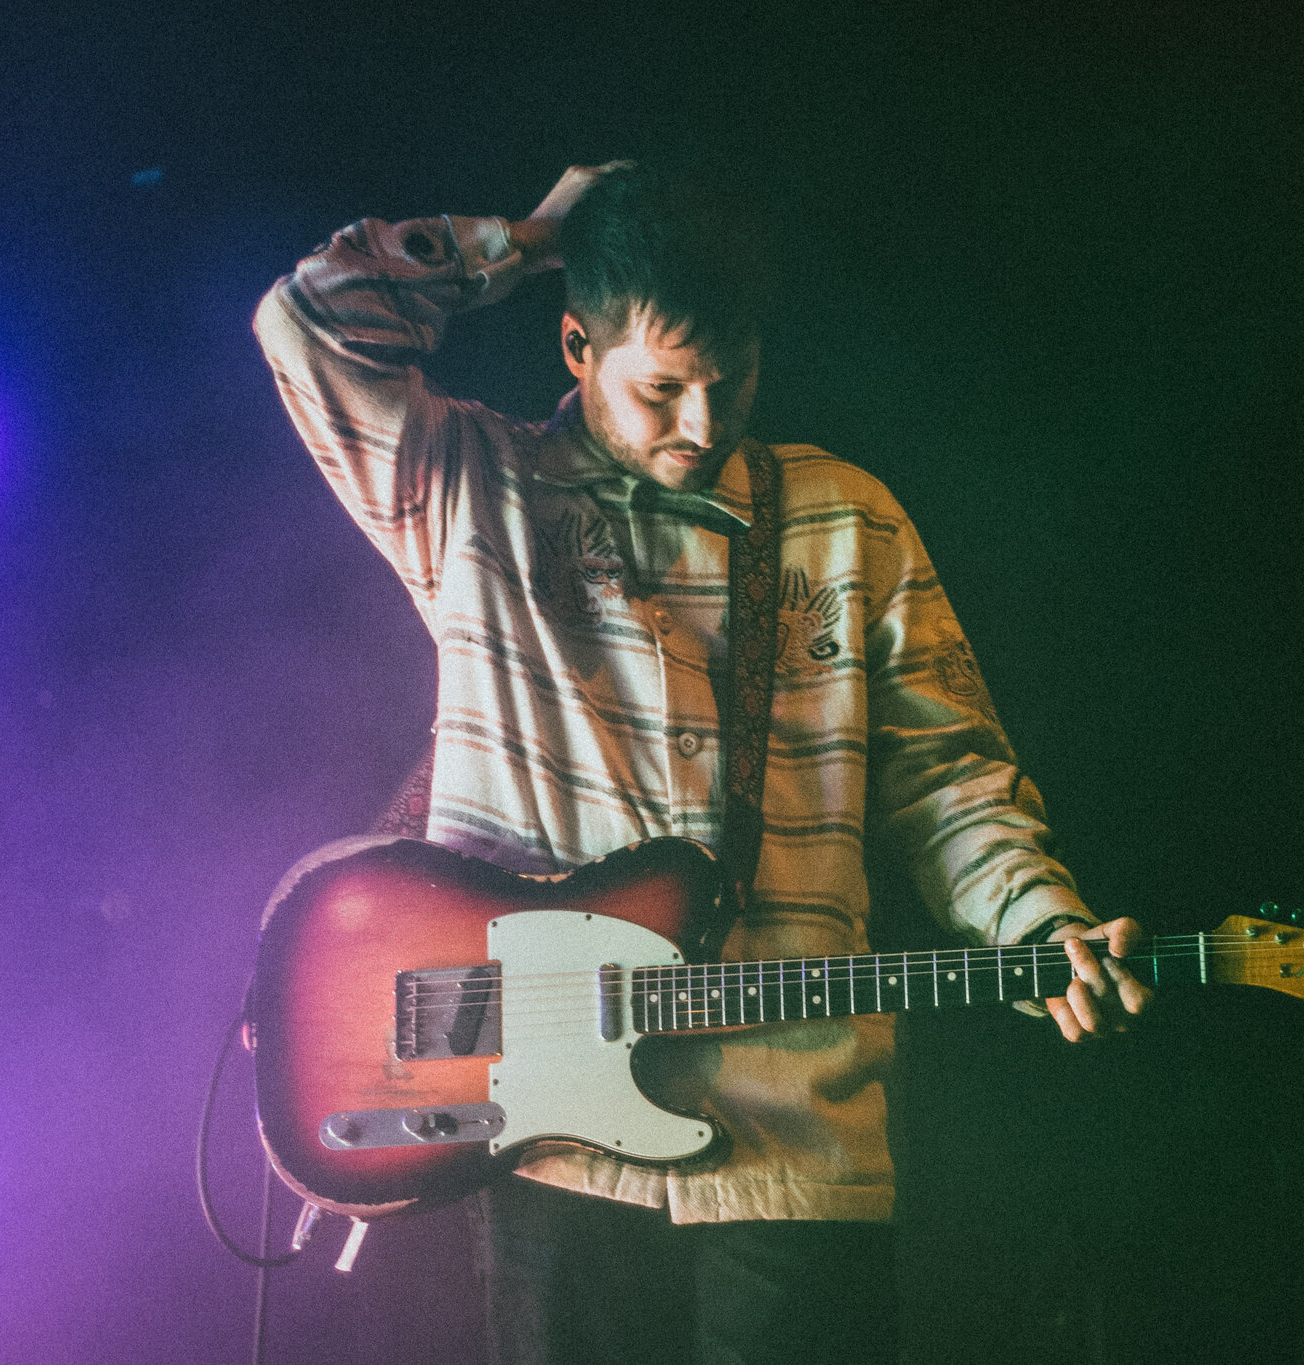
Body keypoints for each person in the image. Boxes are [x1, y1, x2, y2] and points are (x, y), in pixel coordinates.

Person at [253, 161, 1152, 1363]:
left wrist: (1037, 920)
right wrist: (534, 238)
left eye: (729, 385)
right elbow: (308, 320)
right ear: (576, 345)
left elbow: (949, 780)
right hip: (555, 1142)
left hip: (799, 1139)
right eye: (661, 389)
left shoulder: (848, 520)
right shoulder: (476, 494)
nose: (699, 426)